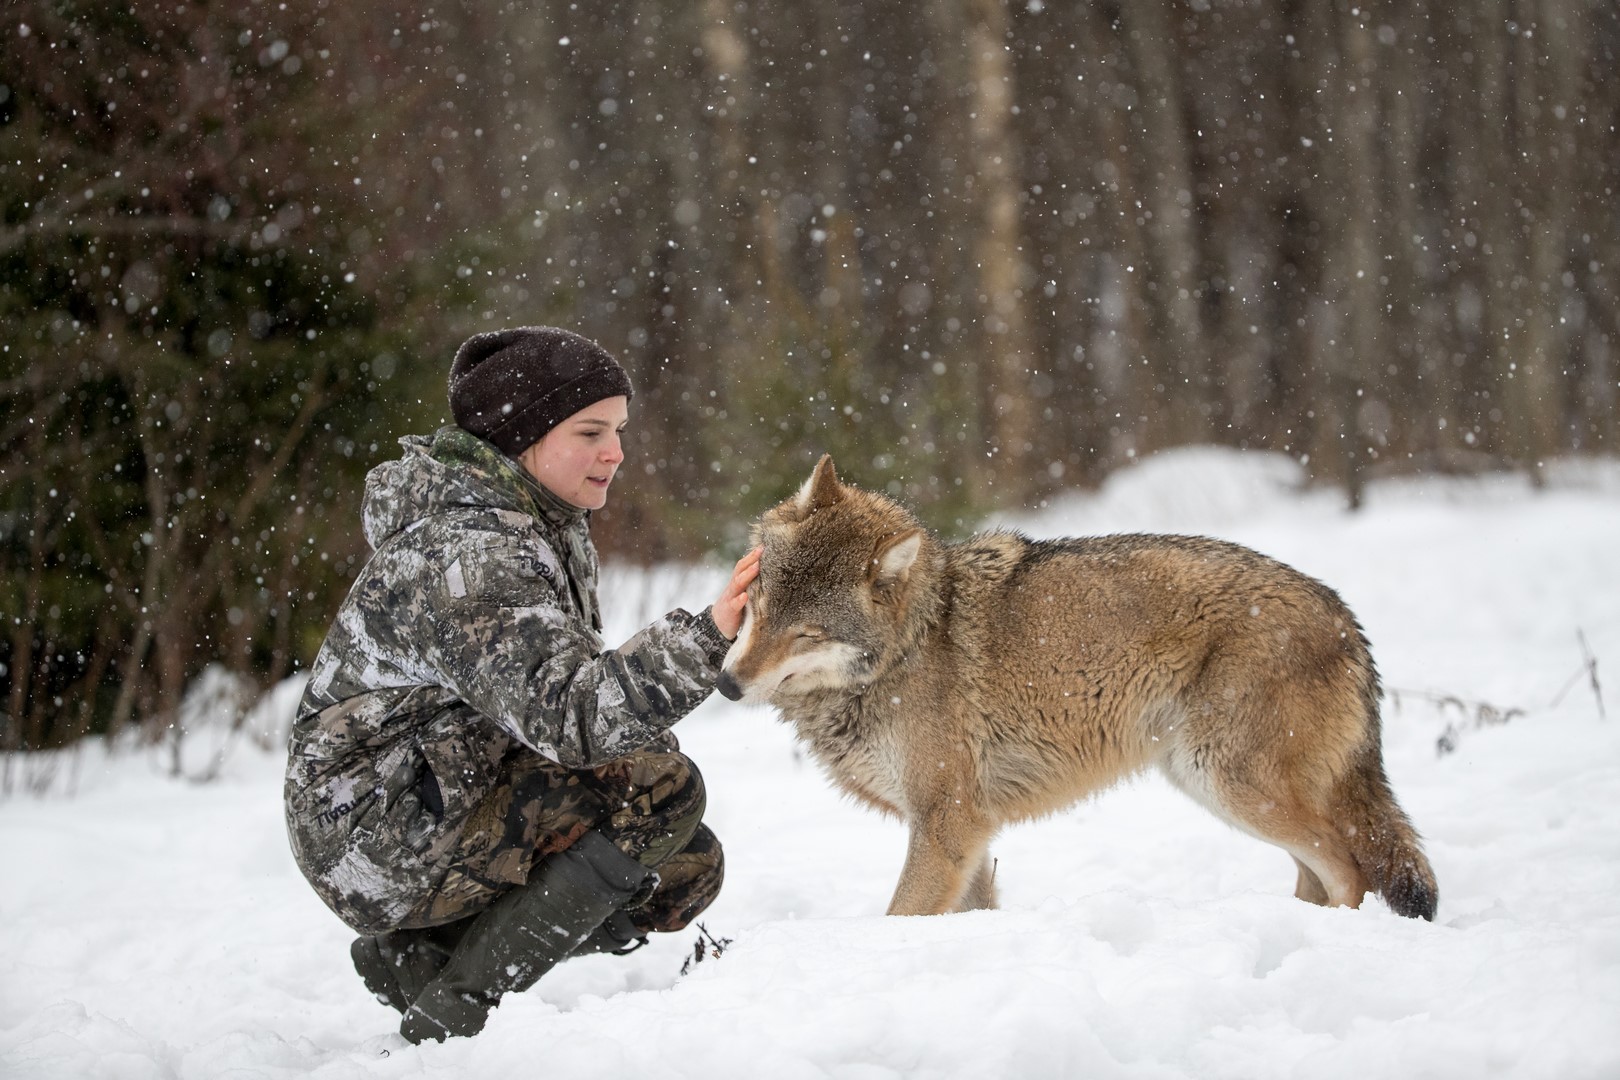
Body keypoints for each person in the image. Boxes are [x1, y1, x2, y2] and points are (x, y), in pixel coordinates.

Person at [284, 327, 760, 1043]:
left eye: (620, 430)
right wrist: (707, 634)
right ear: (521, 434)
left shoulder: (537, 521)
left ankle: (419, 960)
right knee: (662, 793)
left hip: (445, 787)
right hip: (373, 830)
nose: (616, 453)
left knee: (686, 866)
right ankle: (457, 1012)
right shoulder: (470, 555)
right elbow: (570, 715)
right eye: (591, 431)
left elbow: (552, 700)